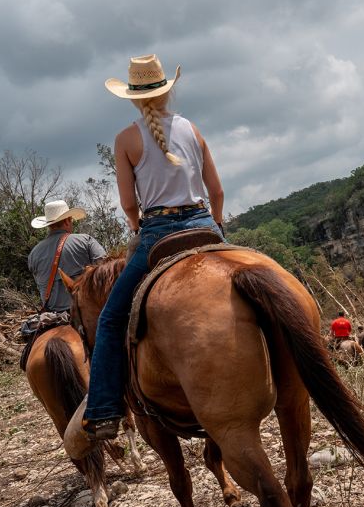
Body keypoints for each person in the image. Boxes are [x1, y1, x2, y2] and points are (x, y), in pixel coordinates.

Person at [82, 54, 225, 441]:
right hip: (204, 223)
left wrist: (135, 227)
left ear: (132, 97)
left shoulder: (126, 139)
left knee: (111, 319)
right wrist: (217, 222)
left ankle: (104, 410)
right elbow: (217, 192)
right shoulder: (192, 130)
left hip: (157, 231)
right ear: (168, 89)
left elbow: (130, 204)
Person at [28, 200, 106, 314]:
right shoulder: (85, 240)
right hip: (84, 312)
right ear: (67, 221)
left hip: (51, 315)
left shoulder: (33, 254)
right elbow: (106, 268)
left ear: (49, 225)